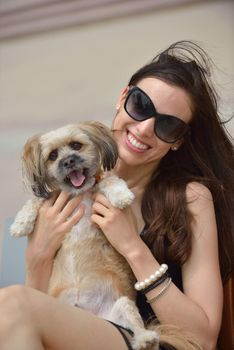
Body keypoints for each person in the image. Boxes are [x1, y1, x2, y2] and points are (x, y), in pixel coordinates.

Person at [1, 40, 233, 350]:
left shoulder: (189, 197)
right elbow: (40, 313)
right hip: (79, 335)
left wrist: (131, 246)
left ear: (178, 140)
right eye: (140, 105)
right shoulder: (63, 195)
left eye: (168, 126)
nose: (145, 128)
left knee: (14, 302)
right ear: (123, 98)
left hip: (150, 340)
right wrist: (38, 257)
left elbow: (202, 338)